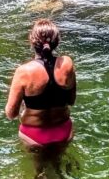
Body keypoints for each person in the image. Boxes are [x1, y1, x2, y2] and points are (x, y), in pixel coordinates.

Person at [5, 20, 76, 150]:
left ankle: (40, 171)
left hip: (34, 136)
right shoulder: (67, 63)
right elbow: (71, 101)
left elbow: (11, 114)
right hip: (64, 131)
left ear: (31, 41)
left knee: (39, 169)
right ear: (57, 41)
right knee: (61, 164)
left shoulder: (23, 71)